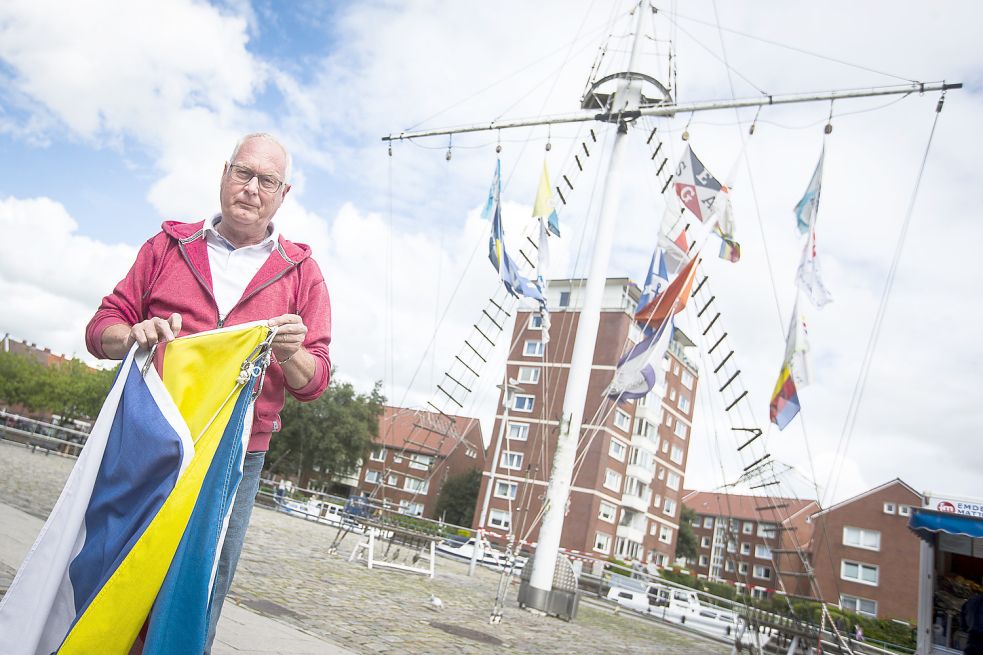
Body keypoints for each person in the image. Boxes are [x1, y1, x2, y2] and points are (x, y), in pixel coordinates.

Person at [84, 133, 331, 653]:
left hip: (237, 455)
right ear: (224, 174)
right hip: (150, 437)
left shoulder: (302, 273)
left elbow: (315, 382)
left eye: (267, 180)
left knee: (198, 587)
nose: (251, 188)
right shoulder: (167, 247)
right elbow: (100, 327)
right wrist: (132, 334)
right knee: (114, 561)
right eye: (243, 173)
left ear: (283, 194)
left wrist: (291, 352)